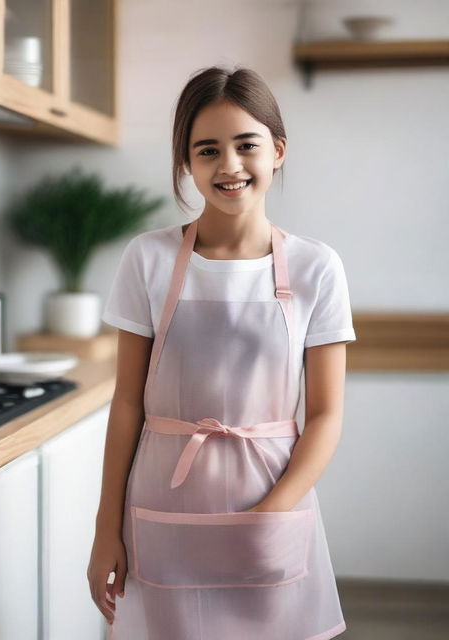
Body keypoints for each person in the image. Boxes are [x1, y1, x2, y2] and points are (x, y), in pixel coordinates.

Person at [87, 65, 356, 640]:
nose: (229, 166)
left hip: (271, 497)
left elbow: (328, 414)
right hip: (163, 504)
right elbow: (127, 403)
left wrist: (273, 512)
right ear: (187, 162)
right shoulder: (149, 259)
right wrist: (105, 527)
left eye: (246, 145)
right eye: (207, 150)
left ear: (277, 151)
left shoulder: (316, 267)